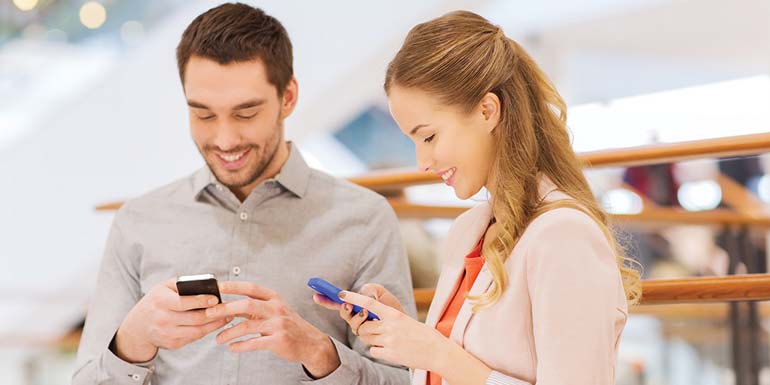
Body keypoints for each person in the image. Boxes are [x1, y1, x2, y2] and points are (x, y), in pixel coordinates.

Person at [73, 3, 415, 385]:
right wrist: (131, 340)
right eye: (203, 114)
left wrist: (318, 353)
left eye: (245, 113)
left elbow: (403, 379)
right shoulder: (138, 223)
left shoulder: (365, 219)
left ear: (288, 97)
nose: (224, 139)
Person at [314, 10, 641, 385]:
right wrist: (406, 334)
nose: (421, 162)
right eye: (413, 141)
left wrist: (434, 351)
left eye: (429, 137)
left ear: (487, 110)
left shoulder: (565, 235)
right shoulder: (468, 231)